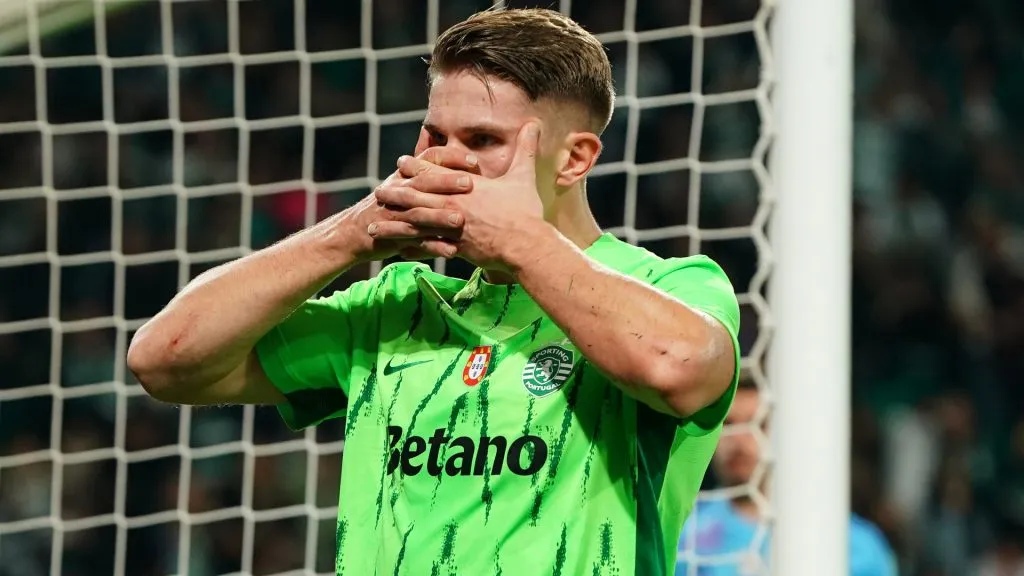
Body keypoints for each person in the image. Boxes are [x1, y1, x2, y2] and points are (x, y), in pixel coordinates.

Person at [128, 7, 741, 575]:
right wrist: (350, 235)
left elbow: (678, 367)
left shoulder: (671, 286)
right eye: (436, 137)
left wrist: (523, 245)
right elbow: (164, 359)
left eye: (483, 141)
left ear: (574, 159)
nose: (448, 163)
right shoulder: (394, 309)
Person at [675, 382, 897, 576]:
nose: (739, 438)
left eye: (759, 423)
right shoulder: (682, 531)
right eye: (728, 423)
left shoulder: (854, 545)